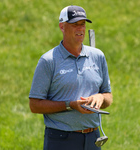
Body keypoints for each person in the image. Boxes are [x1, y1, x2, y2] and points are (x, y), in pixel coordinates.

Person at [29, 5, 113, 150]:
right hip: (61, 139)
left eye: (83, 24)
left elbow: (108, 96)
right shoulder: (49, 61)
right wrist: (70, 105)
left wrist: (100, 98)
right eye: (75, 25)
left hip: (93, 138)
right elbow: (34, 105)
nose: (80, 29)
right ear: (62, 27)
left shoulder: (97, 56)